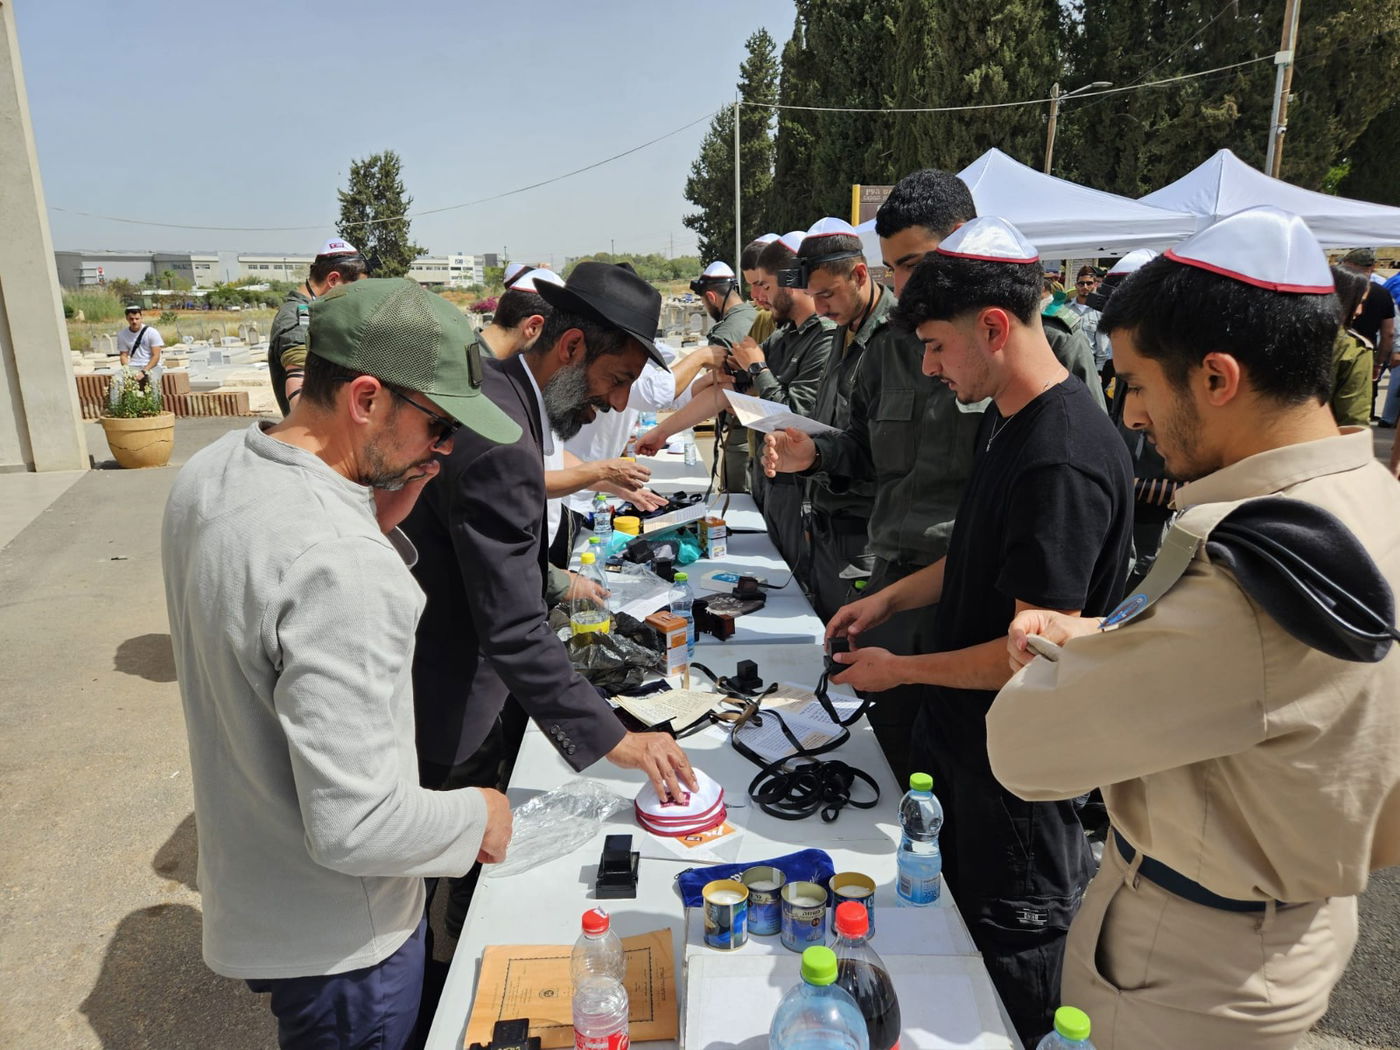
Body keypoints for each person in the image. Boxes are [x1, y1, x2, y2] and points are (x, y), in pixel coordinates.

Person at [988, 206, 1400, 1050]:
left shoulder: (1250, 576)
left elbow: (1023, 750)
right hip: (1294, 926)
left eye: (1138, 385)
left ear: (1216, 377)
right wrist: (1102, 637)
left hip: (1184, 969)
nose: (1131, 417)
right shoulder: (1370, 502)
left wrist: (1053, 657)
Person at [161, 277, 518, 1049]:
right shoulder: (342, 563)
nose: (443, 452)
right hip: (348, 946)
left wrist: (369, 518)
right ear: (365, 399)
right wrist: (478, 816)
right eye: (438, 426)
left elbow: (262, 629)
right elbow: (358, 824)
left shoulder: (211, 472)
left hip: (260, 897)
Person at [824, 217, 1134, 1044]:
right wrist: (889, 601)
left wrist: (901, 671)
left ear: (993, 328)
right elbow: (975, 552)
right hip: (968, 756)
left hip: (1018, 791)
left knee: (1011, 980)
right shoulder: (1008, 415)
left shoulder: (1060, 456)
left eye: (935, 346)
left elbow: (1029, 655)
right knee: (949, 952)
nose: (928, 368)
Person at [402, 263, 699, 911]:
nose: (617, 404)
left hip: (451, 667)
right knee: (424, 885)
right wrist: (614, 739)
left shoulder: (502, 393)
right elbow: (510, 626)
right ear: (570, 347)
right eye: (616, 379)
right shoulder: (502, 434)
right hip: (447, 696)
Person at [762, 173, 985, 782]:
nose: (905, 284)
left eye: (914, 263)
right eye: (896, 268)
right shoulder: (889, 348)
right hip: (896, 588)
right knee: (891, 755)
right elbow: (864, 448)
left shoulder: (1035, 345)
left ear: (962, 240)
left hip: (976, 597)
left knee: (971, 772)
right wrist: (816, 455)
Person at [639, 231, 835, 570]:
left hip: (802, 488)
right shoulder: (783, 336)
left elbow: (796, 414)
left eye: (765, 286)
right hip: (770, 478)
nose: (758, 297)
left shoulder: (825, 338)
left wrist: (758, 368)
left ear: (791, 282)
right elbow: (726, 392)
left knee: (796, 576)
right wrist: (661, 433)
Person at [268, 237, 368, 415]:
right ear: (333, 280)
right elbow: (299, 386)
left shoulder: (316, 311)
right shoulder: (298, 318)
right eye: (353, 290)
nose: (354, 298)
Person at [691, 260, 758, 491]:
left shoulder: (723, 334)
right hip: (762, 437)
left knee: (739, 503)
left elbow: (715, 389)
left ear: (711, 297)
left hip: (738, 439)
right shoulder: (758, 315)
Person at [1338, 247, 1397, 419]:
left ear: (1349, 264)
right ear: (1371, 267)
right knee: (1361, 402)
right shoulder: (1383, 293)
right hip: (1366, 353)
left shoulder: (1338, 287)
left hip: (1334, 348)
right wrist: (1379, 362)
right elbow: (1388, 333)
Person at [1330, 264, 1376, 428]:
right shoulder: (1353, 348)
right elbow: (1354, 418)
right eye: (1359, 302)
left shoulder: (1280, 333)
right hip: (1326, 438)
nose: (1359, 311)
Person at [1066, 264, 1106, 372]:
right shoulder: (1065, 309)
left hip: (1090, 365)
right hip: (1067, 364)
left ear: (1095, 285)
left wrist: (1098, 371)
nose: (1085, 286)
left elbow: (1102, 347)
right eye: (1081, 283)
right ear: (1076, 285)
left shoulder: (1099, 312)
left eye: (1089, 283)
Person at [116, 304, 163, 389]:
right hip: (134, 365)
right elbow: (123, 355)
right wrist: (127, 370)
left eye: (137, 319)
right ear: (127, 318)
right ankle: (116, 399)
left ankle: (155, 398)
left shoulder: (152, 332)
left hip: (152, 366)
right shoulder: (122, 334)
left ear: (141, 317)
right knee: (116, 380)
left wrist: (144, 371)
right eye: (131, 319)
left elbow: (156, 356)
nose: (134, 321)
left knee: (153, 381)